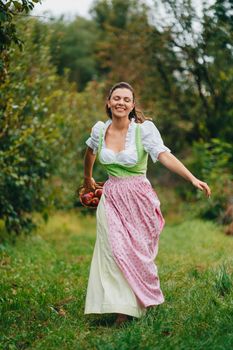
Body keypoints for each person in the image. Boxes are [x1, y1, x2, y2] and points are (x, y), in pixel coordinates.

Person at [83, 82, 211, 326]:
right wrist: (87, 178)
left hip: (139, 197)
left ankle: (142, 298)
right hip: (111, 196)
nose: (121, 102)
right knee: (113, 250)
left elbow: (164, 156)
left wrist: (192, 178)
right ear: (108, 102)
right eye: (116, 98)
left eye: (126, 99)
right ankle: (122, 308)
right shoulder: (100, 130)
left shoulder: (144, 131)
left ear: (132, 105)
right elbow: (90, 152)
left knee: (138, 254)